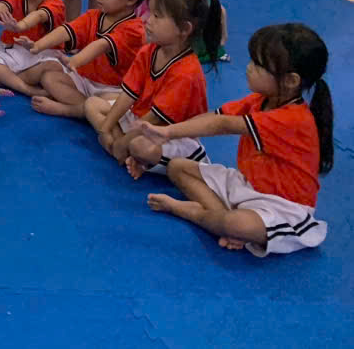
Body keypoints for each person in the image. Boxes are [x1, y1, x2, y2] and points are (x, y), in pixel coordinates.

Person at [142, 23, 333, 256]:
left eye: (258, 65)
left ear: (291, 81)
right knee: (177, 167)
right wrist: (170, 132)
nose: (249, 67)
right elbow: (214, 117)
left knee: (238, 224)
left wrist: (168, 133)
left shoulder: (293, 118)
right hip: (247, 184)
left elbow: (222, 125)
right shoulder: (259, 100)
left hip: (282, 206)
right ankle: (221, 221)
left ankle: (190, 212)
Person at [86, 0, 220, 175]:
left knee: (140, 146)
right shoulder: (148, 51)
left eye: (157, 16)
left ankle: (134, 156)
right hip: (141, 119)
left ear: (184, 29)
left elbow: (156, 118)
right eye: (150, 12)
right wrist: (105, 129)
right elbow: (128, 95)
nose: (147, 20)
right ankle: (126, 154)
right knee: (92, 104)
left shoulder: (187, 72)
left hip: (170, 134)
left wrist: (123, 141)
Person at [28, 0, 151, 118]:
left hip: (114, 88)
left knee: (123, 107)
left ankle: (68, 110)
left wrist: (75, 60)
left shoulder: (134, 29)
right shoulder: (94, 15)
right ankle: (87, 110)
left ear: (130, 0)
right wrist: (38, 45)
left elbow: (101, 45)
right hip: (83, 80)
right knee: (49, 78)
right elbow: (66, 30)